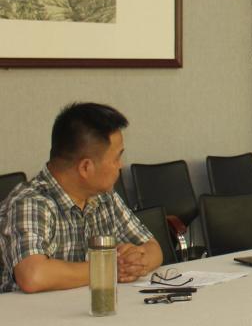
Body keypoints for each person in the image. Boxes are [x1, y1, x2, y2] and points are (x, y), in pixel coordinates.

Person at [0, 102, 161, 293]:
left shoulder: (104, 196)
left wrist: (136, 261)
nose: (121, 166)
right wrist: (109, 269)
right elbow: (33, 276)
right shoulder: (30, 202)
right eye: (116, 158)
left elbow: (153, 249)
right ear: (86, 167)